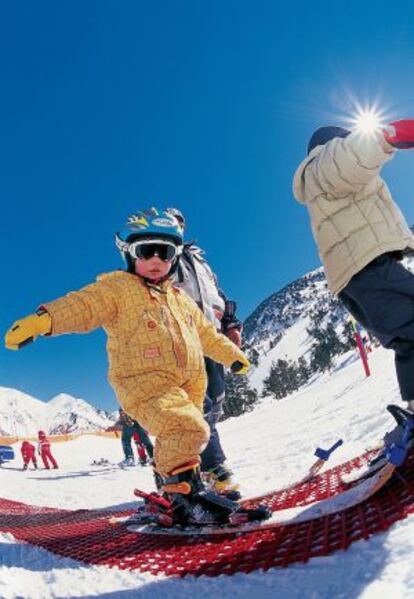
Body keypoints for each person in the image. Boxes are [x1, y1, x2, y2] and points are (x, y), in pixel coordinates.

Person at [5, 208, 250, 525]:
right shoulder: (119, 289)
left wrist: (232, 355)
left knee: (185, 434)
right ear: (129, 253)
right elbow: (84, 306)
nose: (156, 260)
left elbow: (206, 335)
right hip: (143, 382)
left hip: (186, 384)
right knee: (188, 427)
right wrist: (43, 320)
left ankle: (176, 495)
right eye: (146, 251)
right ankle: (184, 498)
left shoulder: (180, 299)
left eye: (165, 252)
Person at [293, 119, 414, 413]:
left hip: (362, 273)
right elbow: (350, 157)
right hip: (368, 267)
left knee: (408, 336)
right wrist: (385, 136)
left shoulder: (327, 182)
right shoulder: (326, 163)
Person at [166, 207, 243, 498]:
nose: (177, 225)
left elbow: (217, 296)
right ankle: (210, 470)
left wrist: (231, 323)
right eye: (170, 221)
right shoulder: (160, 255)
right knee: (196, 408)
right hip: (181, 341)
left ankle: (198, 470)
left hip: (212, 338)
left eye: (180, 221)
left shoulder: (198, 259)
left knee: (215, 405)